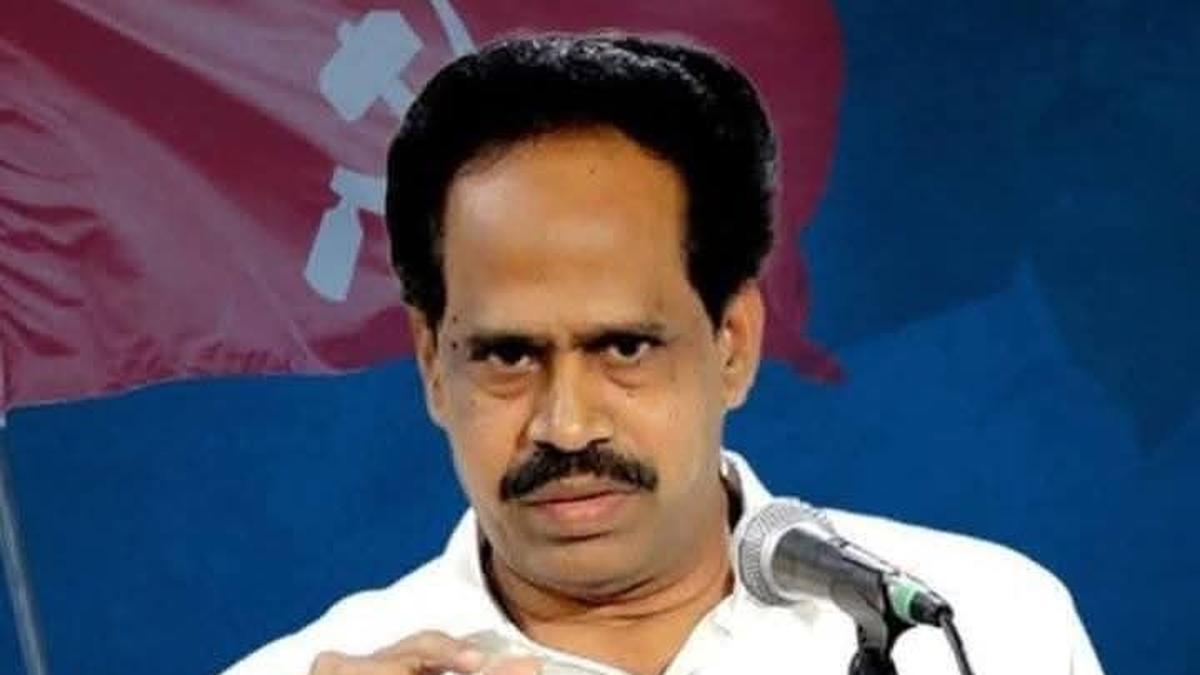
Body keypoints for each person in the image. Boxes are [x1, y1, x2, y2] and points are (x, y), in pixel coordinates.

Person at [224, 33, 1103, 675]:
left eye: (624, 346)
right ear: (431, 366)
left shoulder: (982, 625)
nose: (567, 424)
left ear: (734, 344)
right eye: (507, 356)